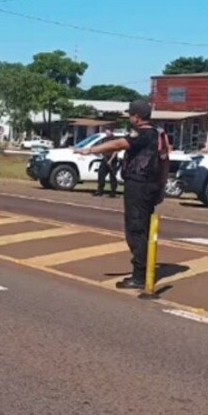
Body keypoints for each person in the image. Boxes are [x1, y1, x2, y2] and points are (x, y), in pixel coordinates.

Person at [77, 100, 169, 289]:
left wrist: (91, 149)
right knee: (142, 228)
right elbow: (165, 160)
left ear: (136, 117)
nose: (129, 118)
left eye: (130, 115)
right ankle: (143, 270)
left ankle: (139, 275)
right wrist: (161, 186)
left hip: (138, 184)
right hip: (150, 185)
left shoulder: (142, 133)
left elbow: (119, 143)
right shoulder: (159, 134)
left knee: (136, 229)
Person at [94, 128, 119, 198]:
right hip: (105, 159)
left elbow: (115, 151)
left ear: (111, 131)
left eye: (108, 131)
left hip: (112, 160)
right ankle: (100, 191)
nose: (106, 132)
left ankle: (113, 192)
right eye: (106, 131)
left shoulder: (114, 140)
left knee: (112, 176)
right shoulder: (105, 139)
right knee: (101, 174)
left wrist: (110, 160)